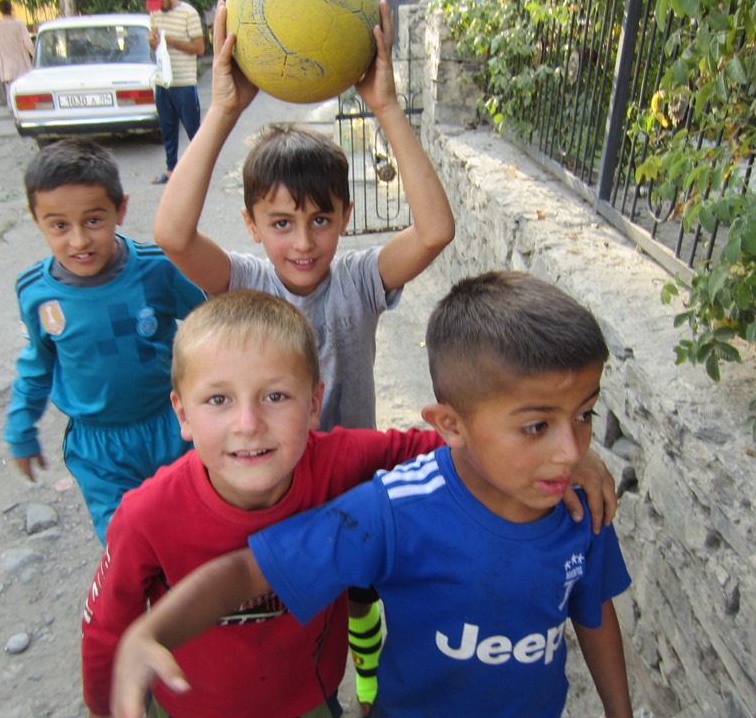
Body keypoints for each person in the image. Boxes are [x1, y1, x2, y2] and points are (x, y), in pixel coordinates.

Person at [110, 271, 634, 718]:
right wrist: (151, 632)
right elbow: (246, 571)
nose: (570, 450)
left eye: (584, 416)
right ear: (451, 424)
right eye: (538, 425)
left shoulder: (579, 507)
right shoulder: (393, 509)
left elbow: (593, 610)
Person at [152, 0, 460, 710]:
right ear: (253, 225)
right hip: (266, 477)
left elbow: (436, 230)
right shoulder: (243, 279)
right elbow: (171, 233)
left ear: (345, 219)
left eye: (322, 219)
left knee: (360, 591)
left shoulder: (357, 279)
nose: (303, 241)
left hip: (343, 478)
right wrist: (223, 108)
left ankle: (367, 685)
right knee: (283, 601)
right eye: (282, 222)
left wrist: (384, 105)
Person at [3, 139, 206, 544]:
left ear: (121, 209)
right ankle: (149, 605)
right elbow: (37, 365)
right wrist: (21, 426)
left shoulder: (156, 268)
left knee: (197, 524)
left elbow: (212, 322)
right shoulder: (35, 292)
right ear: (36, 219)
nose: (78, 240)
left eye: (93, 220)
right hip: (99, 449)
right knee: (126, 543)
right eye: (59, 225)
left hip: (175, 426)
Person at [143, 0, 206, 185]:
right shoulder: (155, 13)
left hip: (185, 83)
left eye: (159, 2)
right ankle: (171, 170)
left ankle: (200, 170)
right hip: (163, 81)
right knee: (167, 129)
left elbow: (199, 48)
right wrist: (153, 43)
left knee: (193, 129)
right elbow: (156, 47)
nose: (157, 8)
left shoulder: (189, 13)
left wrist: (169, 41)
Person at [0, 0, 34, 104]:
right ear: (11, 8)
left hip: (7, 63)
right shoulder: (19, 24)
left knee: (10, 89)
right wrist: (36, 57)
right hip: (22, 62)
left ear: (0, 10)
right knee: (24, 89)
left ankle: (13, 110)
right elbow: (28, 43)